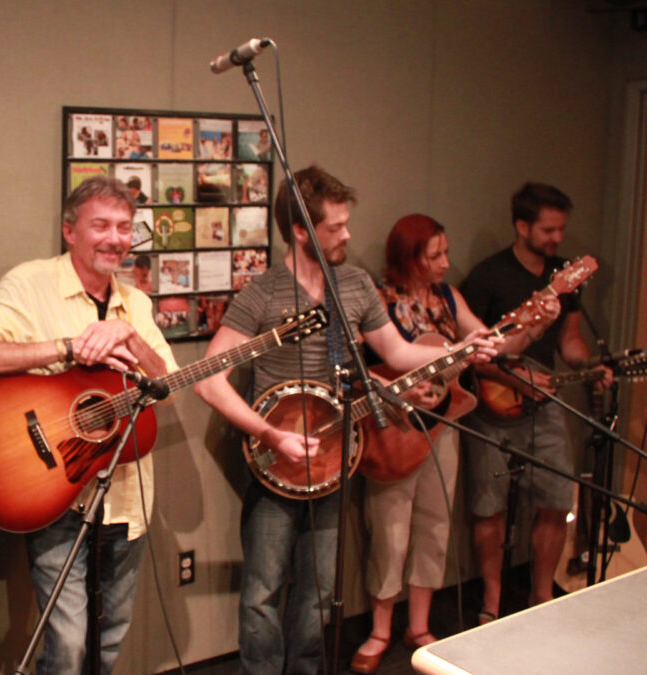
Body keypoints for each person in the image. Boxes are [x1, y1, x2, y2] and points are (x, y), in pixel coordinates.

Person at [193, 167, 500, 674]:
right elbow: (209, 380)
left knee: (318, 592)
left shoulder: (354, 284)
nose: (348, 235)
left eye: (345, 224)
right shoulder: (262, 294)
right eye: (335, 227)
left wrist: (459, 349)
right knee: (262, 593)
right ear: (300, 230)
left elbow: (398, 353)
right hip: (275, 464)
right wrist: (269, 433)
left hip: (336, 459)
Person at [0, 176, 177, 674]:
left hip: (126, 498)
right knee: (70, 645)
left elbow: (166, 384)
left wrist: (131, 338)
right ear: (68, 231)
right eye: (101, 225)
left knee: (111, 637)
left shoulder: (135, 303)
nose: (115, 238)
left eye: (124, 227)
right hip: (53, 489)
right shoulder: (29, 282)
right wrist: (67, 348)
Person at [459, 182, 612, 624]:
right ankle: (491, 597)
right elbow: (468, 350)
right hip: (493, 400)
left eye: (561, 229)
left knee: (555, 497)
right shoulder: (488, 277)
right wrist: (513, 376)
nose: (556, 239)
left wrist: (591, 366)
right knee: (488, 503)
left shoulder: (564, 276)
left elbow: (570, 341)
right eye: (547, 230)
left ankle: (541, 596)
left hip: (544, 398)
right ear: (521, 226)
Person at [350, 214, 496, 673]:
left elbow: (484, 337)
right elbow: (352, 369)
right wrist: (396, 389)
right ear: (408, 257)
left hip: (442, 423)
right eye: (435, 255)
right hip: (392, 429)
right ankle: (379, 629)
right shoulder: (378, 298)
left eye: (446, 252)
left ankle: (419, 626)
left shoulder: (449, 298)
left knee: (435, 524)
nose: (445, 263)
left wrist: (525, 325)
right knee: (389, 531)